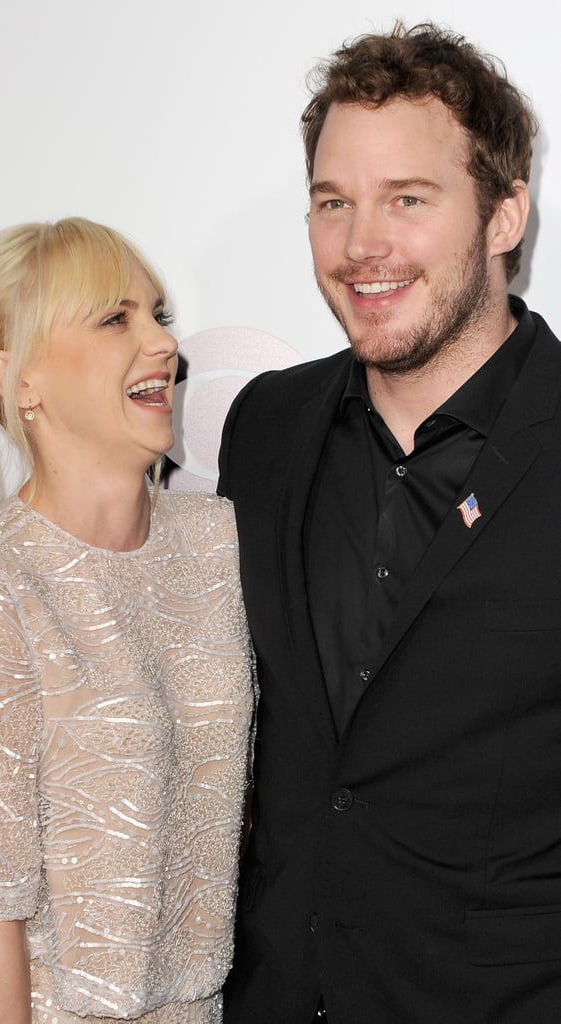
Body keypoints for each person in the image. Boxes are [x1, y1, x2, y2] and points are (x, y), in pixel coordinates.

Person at [217, 21, 561, 1024]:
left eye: (406, 200)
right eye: (334, 202)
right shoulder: (266, 428)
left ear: (503, 215)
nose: (360, 243)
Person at [0, 217, 255, 1023]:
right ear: (20, 379)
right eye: (114, 318)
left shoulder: (218, 542)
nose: (162, 345)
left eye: (158, 315)